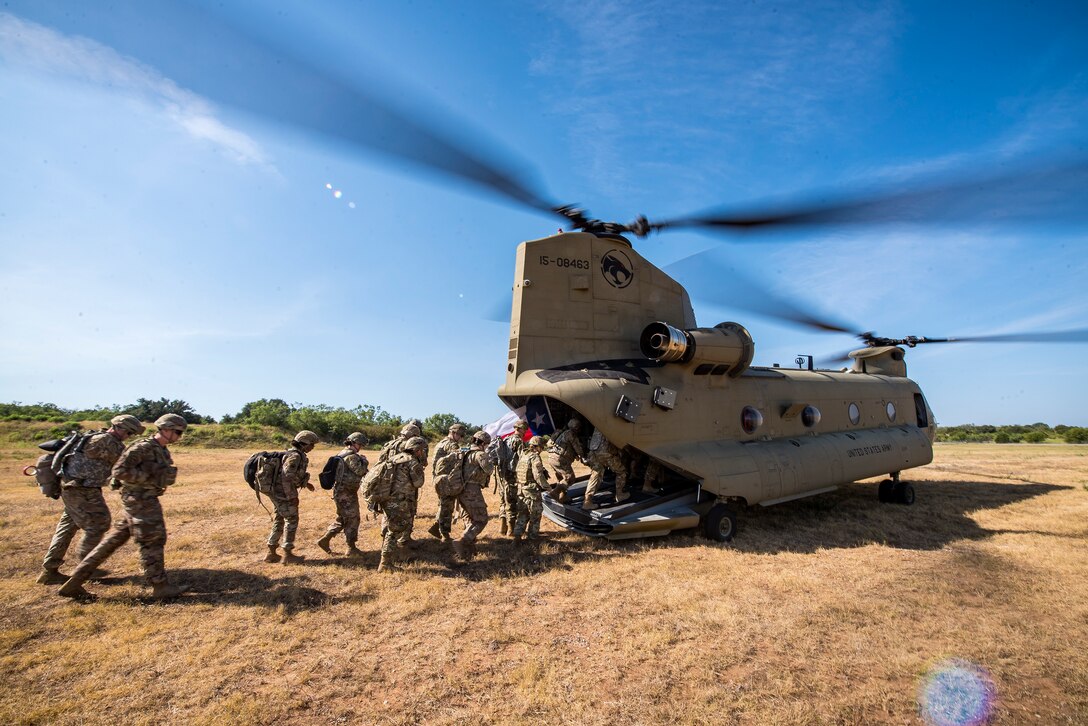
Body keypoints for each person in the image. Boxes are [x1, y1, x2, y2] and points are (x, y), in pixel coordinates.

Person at [58, 414, 189, 600]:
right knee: (153, 541)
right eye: (177, 432)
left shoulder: (161, 450)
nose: (179, 436)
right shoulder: (142, 448)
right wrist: (150, 477)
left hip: (144, 498)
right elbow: (119, 471)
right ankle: (160, 586)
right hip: (139, 500)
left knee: (111, 542)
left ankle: (75, 581)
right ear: (165, 429)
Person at [37, 414, 146, 584]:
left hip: (74, 487)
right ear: (119, 428)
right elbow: (126, 462)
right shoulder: (107, 441)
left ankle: (50, 571)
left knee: (67, 527)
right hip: (81, 489)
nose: (129, 436)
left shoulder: (95, 436)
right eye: (129, 433)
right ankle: (86, 566)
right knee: (99, 523)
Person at [370, 436, 426, 572]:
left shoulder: (395, 457)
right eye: (422, 450)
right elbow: (418, 483)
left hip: (387, 497)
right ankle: (385, 563)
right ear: (417, 450)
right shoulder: (412, 462)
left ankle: (389, 556)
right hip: (399, 501)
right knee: (396, 529)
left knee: (393, 526)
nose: (422, 452)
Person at [265, 430, 318, 564]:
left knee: (279, 518)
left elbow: (292, 475)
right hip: (283, 493)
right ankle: (288, 554)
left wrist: (306, 484)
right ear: (304, 443)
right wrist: (291, 496)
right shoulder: (295, 456)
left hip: (277, 492)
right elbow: (287, 476)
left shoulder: (292, 454)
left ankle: (271, 552)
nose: (313, 447)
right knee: (292, 519)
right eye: (311, 444)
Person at [316, 432, 369, 558]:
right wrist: (364, 461)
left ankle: (325, 539)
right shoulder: (352, 457)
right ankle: (351, 548)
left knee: (342, 519)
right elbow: (361, 471)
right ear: (353, 443)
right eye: (359, 444)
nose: (360, 447)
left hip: (342, 491)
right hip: (346, 493)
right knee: (353, 519)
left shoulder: (342, 453)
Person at [451, 430, 494, 560]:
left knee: (470, 518)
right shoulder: (480, 454)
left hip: (461, 489)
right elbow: (489, 470)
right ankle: (462, 541)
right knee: (481, 519)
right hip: (472, 489)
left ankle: (468, 549)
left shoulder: (464, 451)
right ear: (484, 443)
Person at [428, 423, 467, 541]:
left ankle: (437, 528)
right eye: (460, 435)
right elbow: (460, 454)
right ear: (454, 433)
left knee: (443, 504)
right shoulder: (451, 444)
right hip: (445, 480)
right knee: (447, 508)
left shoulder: (441, 443)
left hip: (439, 478)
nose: (461, 438)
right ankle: (444, 535)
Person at [512, 435, 550, 542]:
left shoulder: (524, 455)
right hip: (531, 491)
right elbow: (538, 476)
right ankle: (533, 538)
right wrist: (548, 488)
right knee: (535, 514)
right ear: (538, 446)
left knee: (522, 514)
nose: (541, 450)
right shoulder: (535, 457)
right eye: (541, 447)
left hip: (521, 489)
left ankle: (517, 537)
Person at [495, 420, 527, 535]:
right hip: (511, 475)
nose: (525, 432)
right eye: (525, 429)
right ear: (522, 429)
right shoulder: (519, 441)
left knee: (503, 500)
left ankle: (502, 527)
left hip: (502, 474)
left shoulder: (506, 439)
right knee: (511, 502)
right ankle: (511, 530)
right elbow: (523, 459)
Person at [546, 418, 585, 502]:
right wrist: (583, 455)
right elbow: (577, 448)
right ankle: (555, 492)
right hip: (560, 459)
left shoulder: (560, 432)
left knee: (561, 479)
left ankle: (562, 497)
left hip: (551, 457)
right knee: (569, 478)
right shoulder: (571, 434)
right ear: (576, 428)